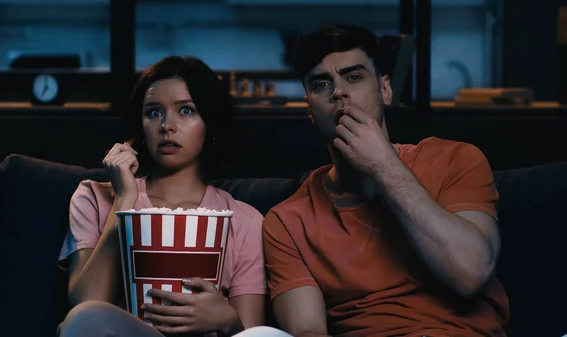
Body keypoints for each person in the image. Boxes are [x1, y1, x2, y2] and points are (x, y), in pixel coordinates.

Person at [262, 24, 510, 337]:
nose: (339, 91)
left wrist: (384, 167)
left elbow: (471, 273)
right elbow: (307, 330)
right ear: (310, 108)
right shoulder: (286, 222)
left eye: (353, 77)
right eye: (321, 84)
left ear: (385, 90)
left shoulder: (455, 160)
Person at [57, 55, 274, 337]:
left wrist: (226, 320)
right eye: (154, 112)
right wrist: (124, 202)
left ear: (210, 123)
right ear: (141, 127)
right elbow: (85, 308)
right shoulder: (95, 197)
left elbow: (252, 333)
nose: (166, 126)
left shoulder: (245, 219)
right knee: (85, 317)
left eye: (186, 111)